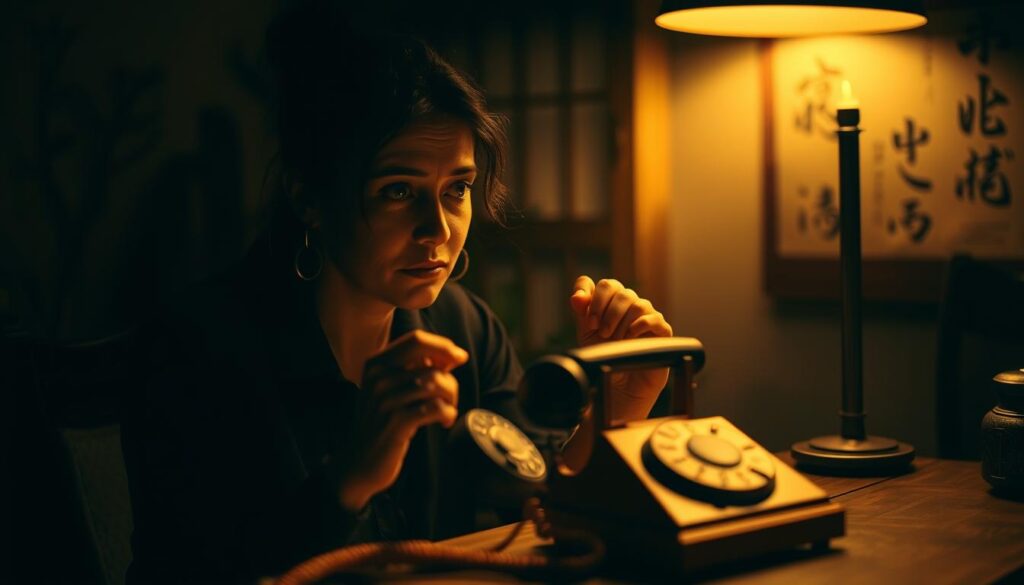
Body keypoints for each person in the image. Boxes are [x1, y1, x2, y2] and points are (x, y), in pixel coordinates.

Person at [121, 4, 673, 583]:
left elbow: (539, 504)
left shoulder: (461, 327)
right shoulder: (193, 349)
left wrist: (621, 403)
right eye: (397, 191)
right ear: (309, 196)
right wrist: (352, 478)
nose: (437, 230)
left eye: (456, 190)